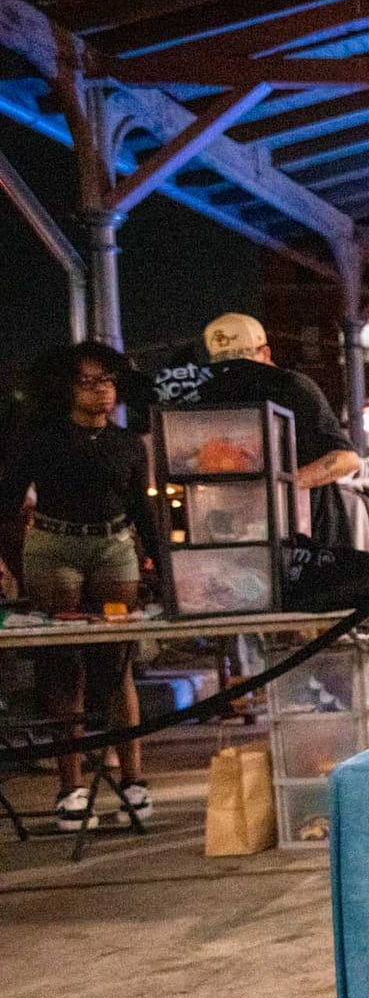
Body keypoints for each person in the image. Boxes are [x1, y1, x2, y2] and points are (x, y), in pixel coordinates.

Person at [0, 343, 162, 830]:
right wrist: (11, 560)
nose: (101, 389)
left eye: (108, 380)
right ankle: (71, 788)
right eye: (89, 381)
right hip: (54, 546)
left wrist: (162, 566)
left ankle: (134, 780)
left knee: (118, 663)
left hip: (114, 546)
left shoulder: (129, 443)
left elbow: (141, 508)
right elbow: (7, 501)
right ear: (67, 387)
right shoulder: (39, 438)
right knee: (62, 664)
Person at [154, 314, 360, 543]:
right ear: (265, 352)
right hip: (291, 537)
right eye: (228, 369)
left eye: (244, 368)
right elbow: (346, 458)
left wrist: (267, 491)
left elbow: (346, 459)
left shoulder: (204, 394)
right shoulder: (291, 385)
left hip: (250, 534)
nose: (238, 379)